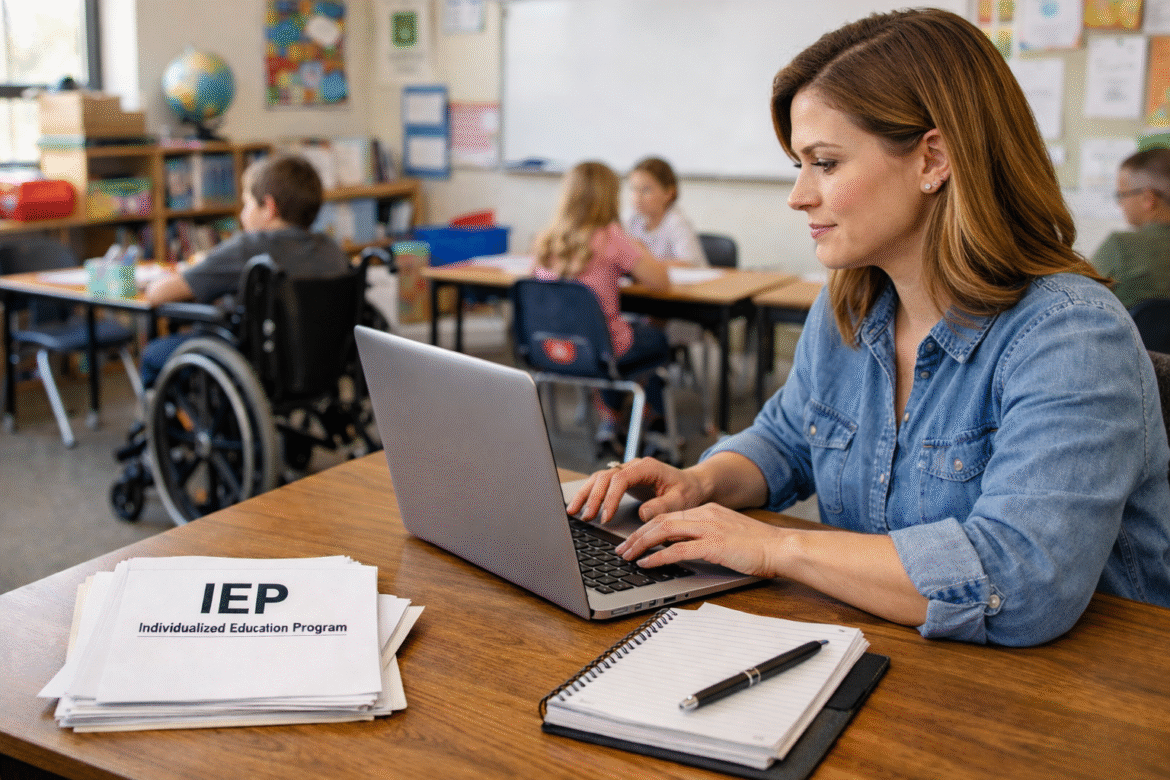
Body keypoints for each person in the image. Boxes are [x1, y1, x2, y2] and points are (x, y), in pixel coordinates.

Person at [569, 8, 1170, 646]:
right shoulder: (851, 305)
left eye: (824, 163)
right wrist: (700, 483)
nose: (798, 195)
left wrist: (775, 548)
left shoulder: (1071, 335)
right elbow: (786, 440)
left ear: (932, 159)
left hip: (1076, 703)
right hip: (893, 652)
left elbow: (1020, 582)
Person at [140, 153, 351, 386]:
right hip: (320, 364)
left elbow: (157, 294)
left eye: (247, 203)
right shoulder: (332, 249)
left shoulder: (248, 248)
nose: (242, 214)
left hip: (253, 364)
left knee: (153, 354)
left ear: (269, 208)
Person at [532, 161, 671, 456]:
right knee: (654, 341)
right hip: (600, 350)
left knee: (610, 339)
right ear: (609, 197)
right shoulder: (611, 236)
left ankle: (612, 419)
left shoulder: (546, 239)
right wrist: (638, 247)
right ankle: (653, 422)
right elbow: (661, 283)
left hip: (552, 350)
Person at [1090, 147, 1170, 309]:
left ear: (1148, 199)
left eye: (1122, 195)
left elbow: (1076, 304)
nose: (1120, 204)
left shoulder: (1120, 246)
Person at [625, 157, 708, 267]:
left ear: (668, 193)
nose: (637, 197)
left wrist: (647, 266)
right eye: (634, 189)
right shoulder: (630, 218)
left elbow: (688, 263)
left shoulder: (676, 222)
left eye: (646, 190)